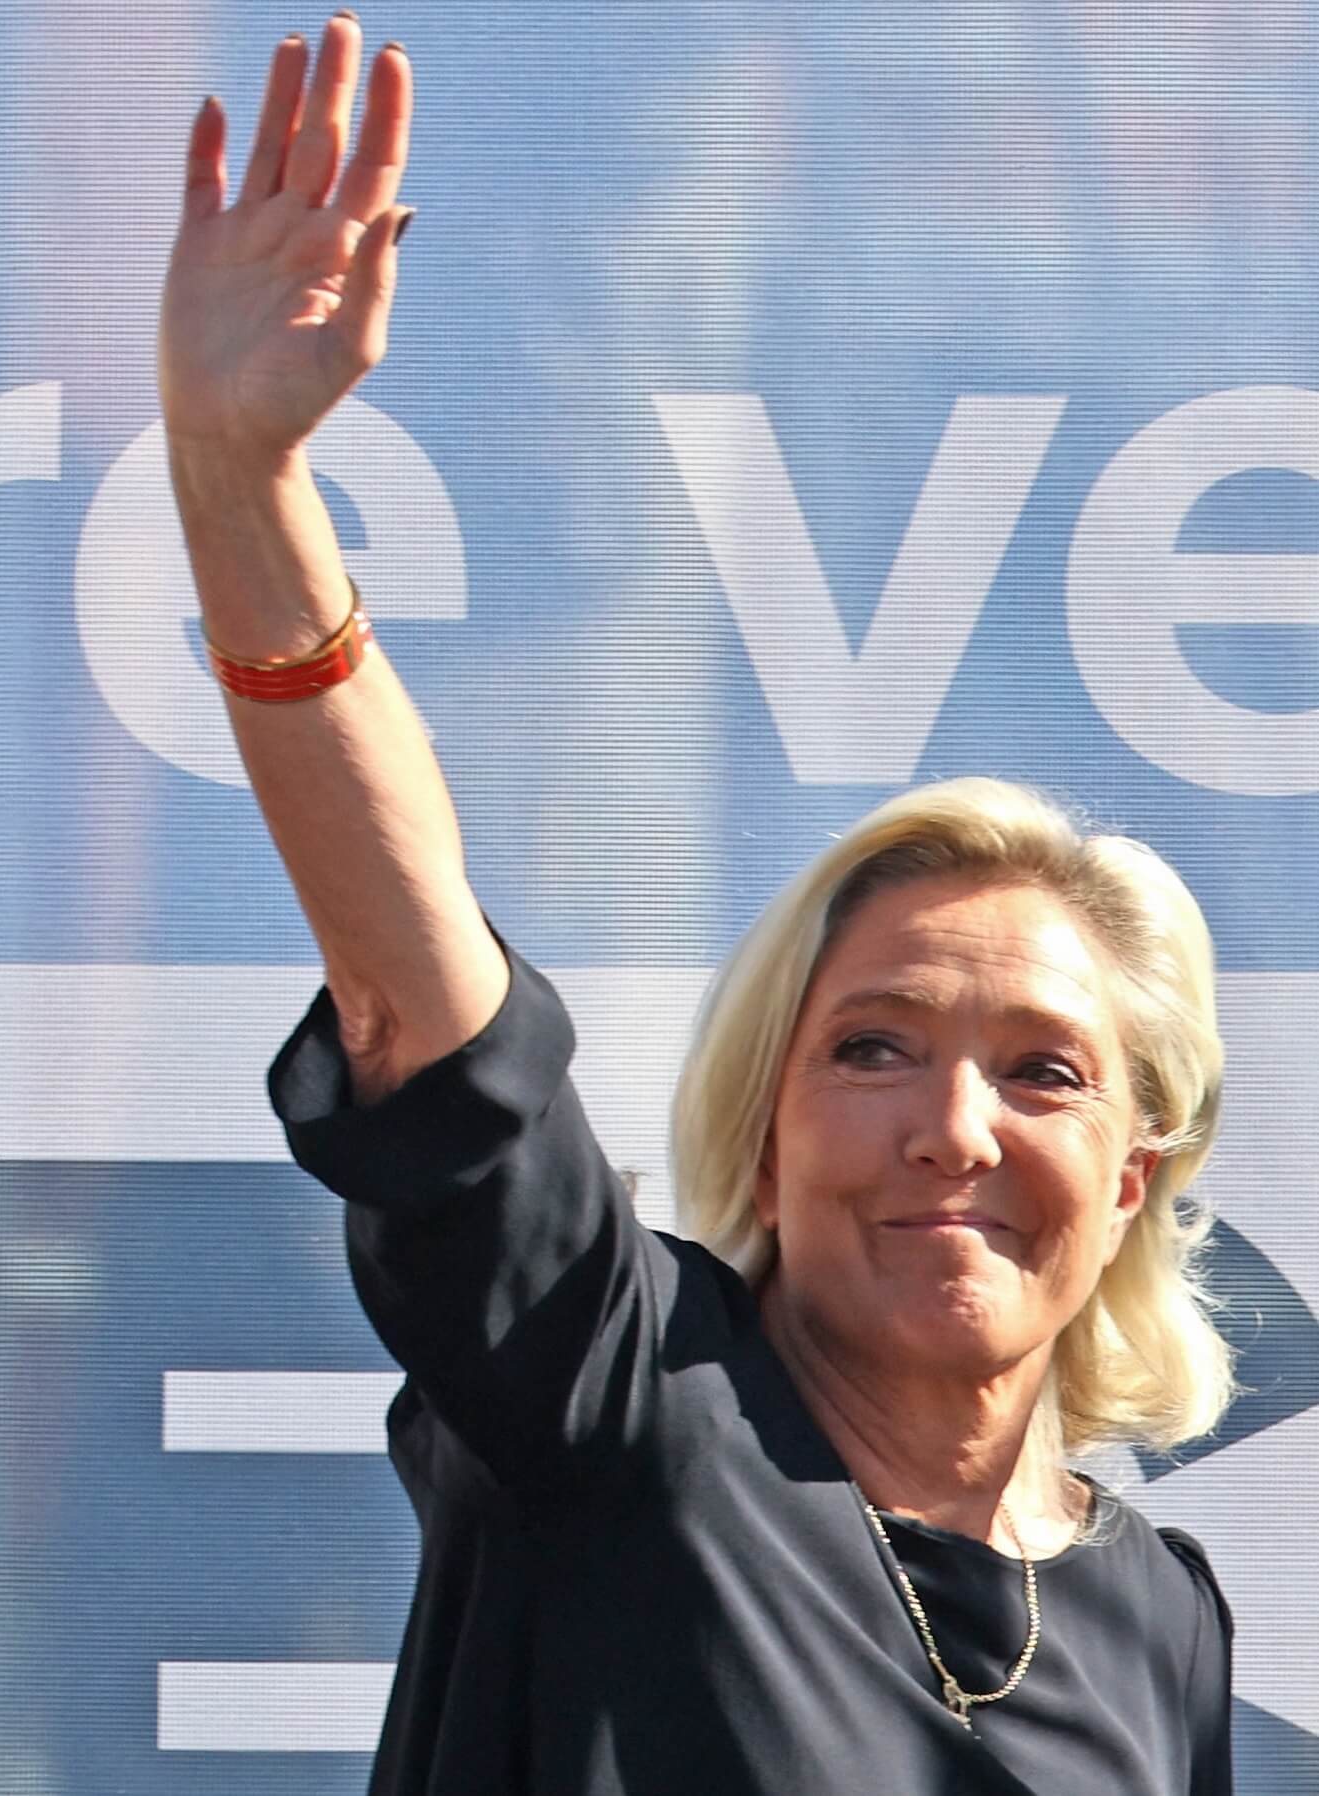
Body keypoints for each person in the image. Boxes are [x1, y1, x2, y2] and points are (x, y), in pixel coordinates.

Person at [159, 17, 1236, 1793]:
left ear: (1129, 1174)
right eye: (872, 1049)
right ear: (768, 1123)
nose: (950, 1129)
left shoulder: (1161, 1618)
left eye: (1041, 1072)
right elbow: (430, 1012)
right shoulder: (629, 1407)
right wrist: (240, 476)